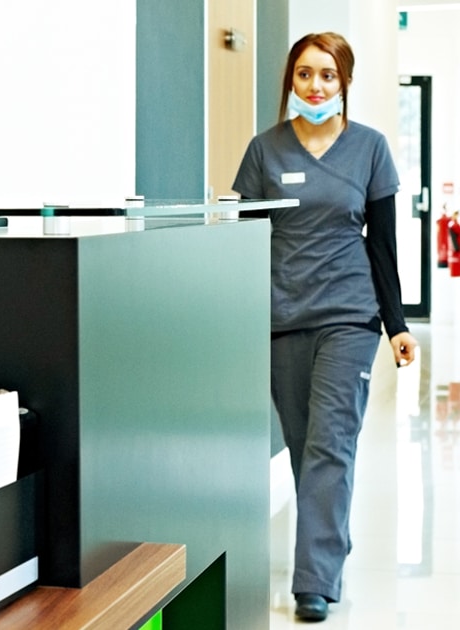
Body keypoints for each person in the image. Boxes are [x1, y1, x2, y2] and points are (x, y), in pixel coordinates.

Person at [232, 32, 418, 622]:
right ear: (291, 80)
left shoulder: (370, 149)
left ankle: (313, 580)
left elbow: (383, 247)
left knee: (330, 445)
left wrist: (396, 324)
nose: (315, 86)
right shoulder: (264, 151)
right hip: (282, 318)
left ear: (344, 83)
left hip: (349, 317)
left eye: (328, 76)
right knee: (302, 444)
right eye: (305, 74)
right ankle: (329, 541)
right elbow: (242, 242)